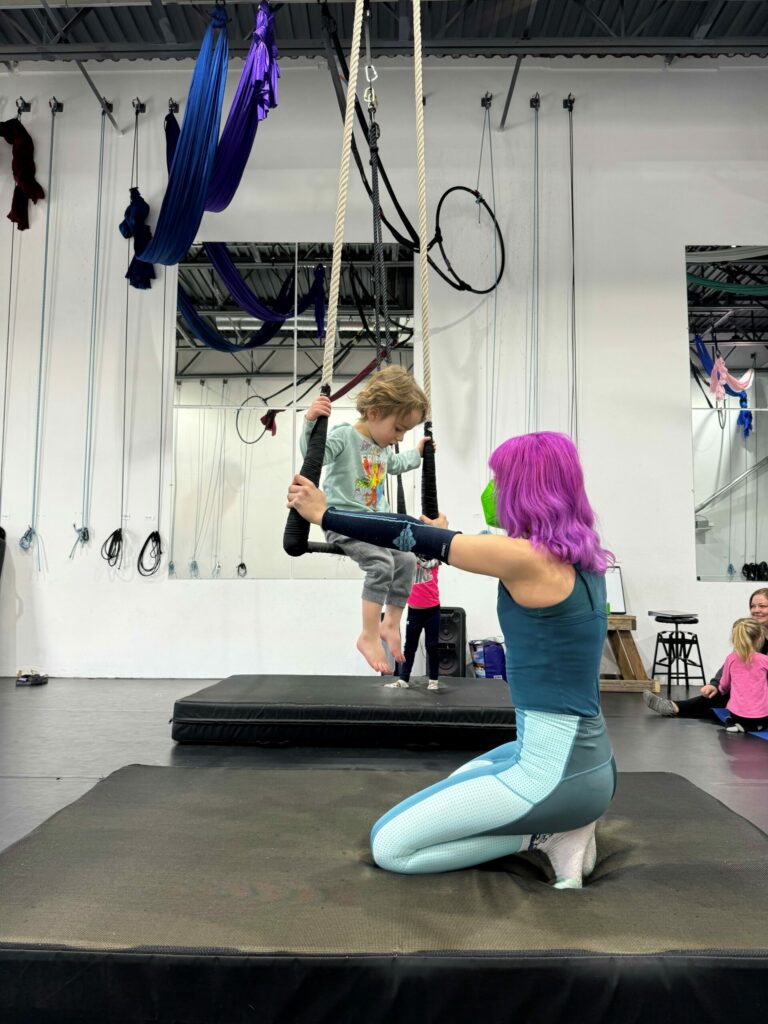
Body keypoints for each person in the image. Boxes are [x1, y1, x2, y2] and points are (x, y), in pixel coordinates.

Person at [288, 431, 616, 888]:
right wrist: (443, 533)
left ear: (525, 489)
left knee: (392, 846)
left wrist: (326, 513)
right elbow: (452, 541)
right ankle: (566, 821)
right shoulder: (582, 557)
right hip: (586, 760)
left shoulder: (527, 559)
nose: (492, 490)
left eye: (499, 480)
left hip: (553, 775)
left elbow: (409, 536)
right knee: (460, 780)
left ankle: (540, 836)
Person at [300, 365, 432, 675]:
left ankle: (390, 624)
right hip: (344, 521)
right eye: (398, 429)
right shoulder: (345, 436)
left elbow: (396, 464)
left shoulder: (382, 447)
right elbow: (314, 455)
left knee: (407, 560)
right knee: (382, 565)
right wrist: (310, 423)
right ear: (373, 413)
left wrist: (418, 453)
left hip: (374, 525)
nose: (398, 437)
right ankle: (368, 635)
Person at [643, 588, 768, 721]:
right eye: (753, 606)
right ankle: (675, 707)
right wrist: (714, 684)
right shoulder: (749, 633)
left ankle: (681, 707)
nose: (756, 610)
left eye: (762, 606)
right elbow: (732, 664)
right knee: (727, 689)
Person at [388, 564, 442, 691]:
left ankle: (433, 680)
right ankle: (403, 679)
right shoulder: (408, 560)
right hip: (414, 611)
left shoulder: (433, 559)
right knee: (410, 646)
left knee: (432, 646)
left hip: (432, 611)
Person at [718, 618, 768, 733]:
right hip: (761, 715)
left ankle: (733, 723)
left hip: (736, 713)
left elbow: (724, 684)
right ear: (760, 638)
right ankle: (753, 727)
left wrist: (721, 689)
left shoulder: (730, 659)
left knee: (731, 715)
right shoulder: (765, 660)